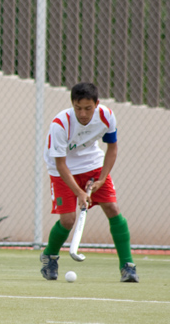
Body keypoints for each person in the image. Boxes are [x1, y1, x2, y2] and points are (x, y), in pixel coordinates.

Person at [40, 82, 139, 283]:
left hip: (92, 163)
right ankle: (49, 256)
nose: (83, 114)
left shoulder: (106, 116)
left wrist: (102, 179)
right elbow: (60, 165)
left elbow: (112, 148)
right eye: (78, 108)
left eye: (88, 108)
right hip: (63, 169)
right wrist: (79, 193)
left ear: (96, 104)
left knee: (112, 207)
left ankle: (127, 266)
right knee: (68, 220)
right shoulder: (60, 124)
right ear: (72, 104)